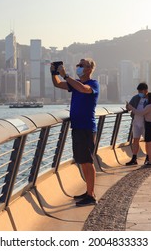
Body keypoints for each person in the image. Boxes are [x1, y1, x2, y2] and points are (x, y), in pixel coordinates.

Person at [51, 58, 99, 207]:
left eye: (81, 65)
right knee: (82, 161)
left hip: (86, 128)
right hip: (77, 127)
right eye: (78, 64)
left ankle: (91, 195)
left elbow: (83, 89)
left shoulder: (93, 84)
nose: (78, 67)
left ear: (89, 69)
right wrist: (54, 73)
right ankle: (88, 191)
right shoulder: (75, 84)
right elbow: (58, 84)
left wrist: (66, 75)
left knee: (87, 161)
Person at [126, 92, 151, 167]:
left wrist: (131, 107)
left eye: (147, 98)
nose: (146, 99)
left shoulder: (149, 106)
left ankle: (150, 161)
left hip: (148, 125)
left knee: (149, 144)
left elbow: (140, 113)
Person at [125, 82, 149, 166]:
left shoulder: (150, 98)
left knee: (147, 141)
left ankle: (148, 156)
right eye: (139, 91)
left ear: (146, 90)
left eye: (141, 91)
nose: (140, 93)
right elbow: (129, 107)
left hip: (146, 122)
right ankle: (134, 158)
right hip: (136, 122)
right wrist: (127, 106)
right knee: (135, 140)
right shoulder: (135, 98)